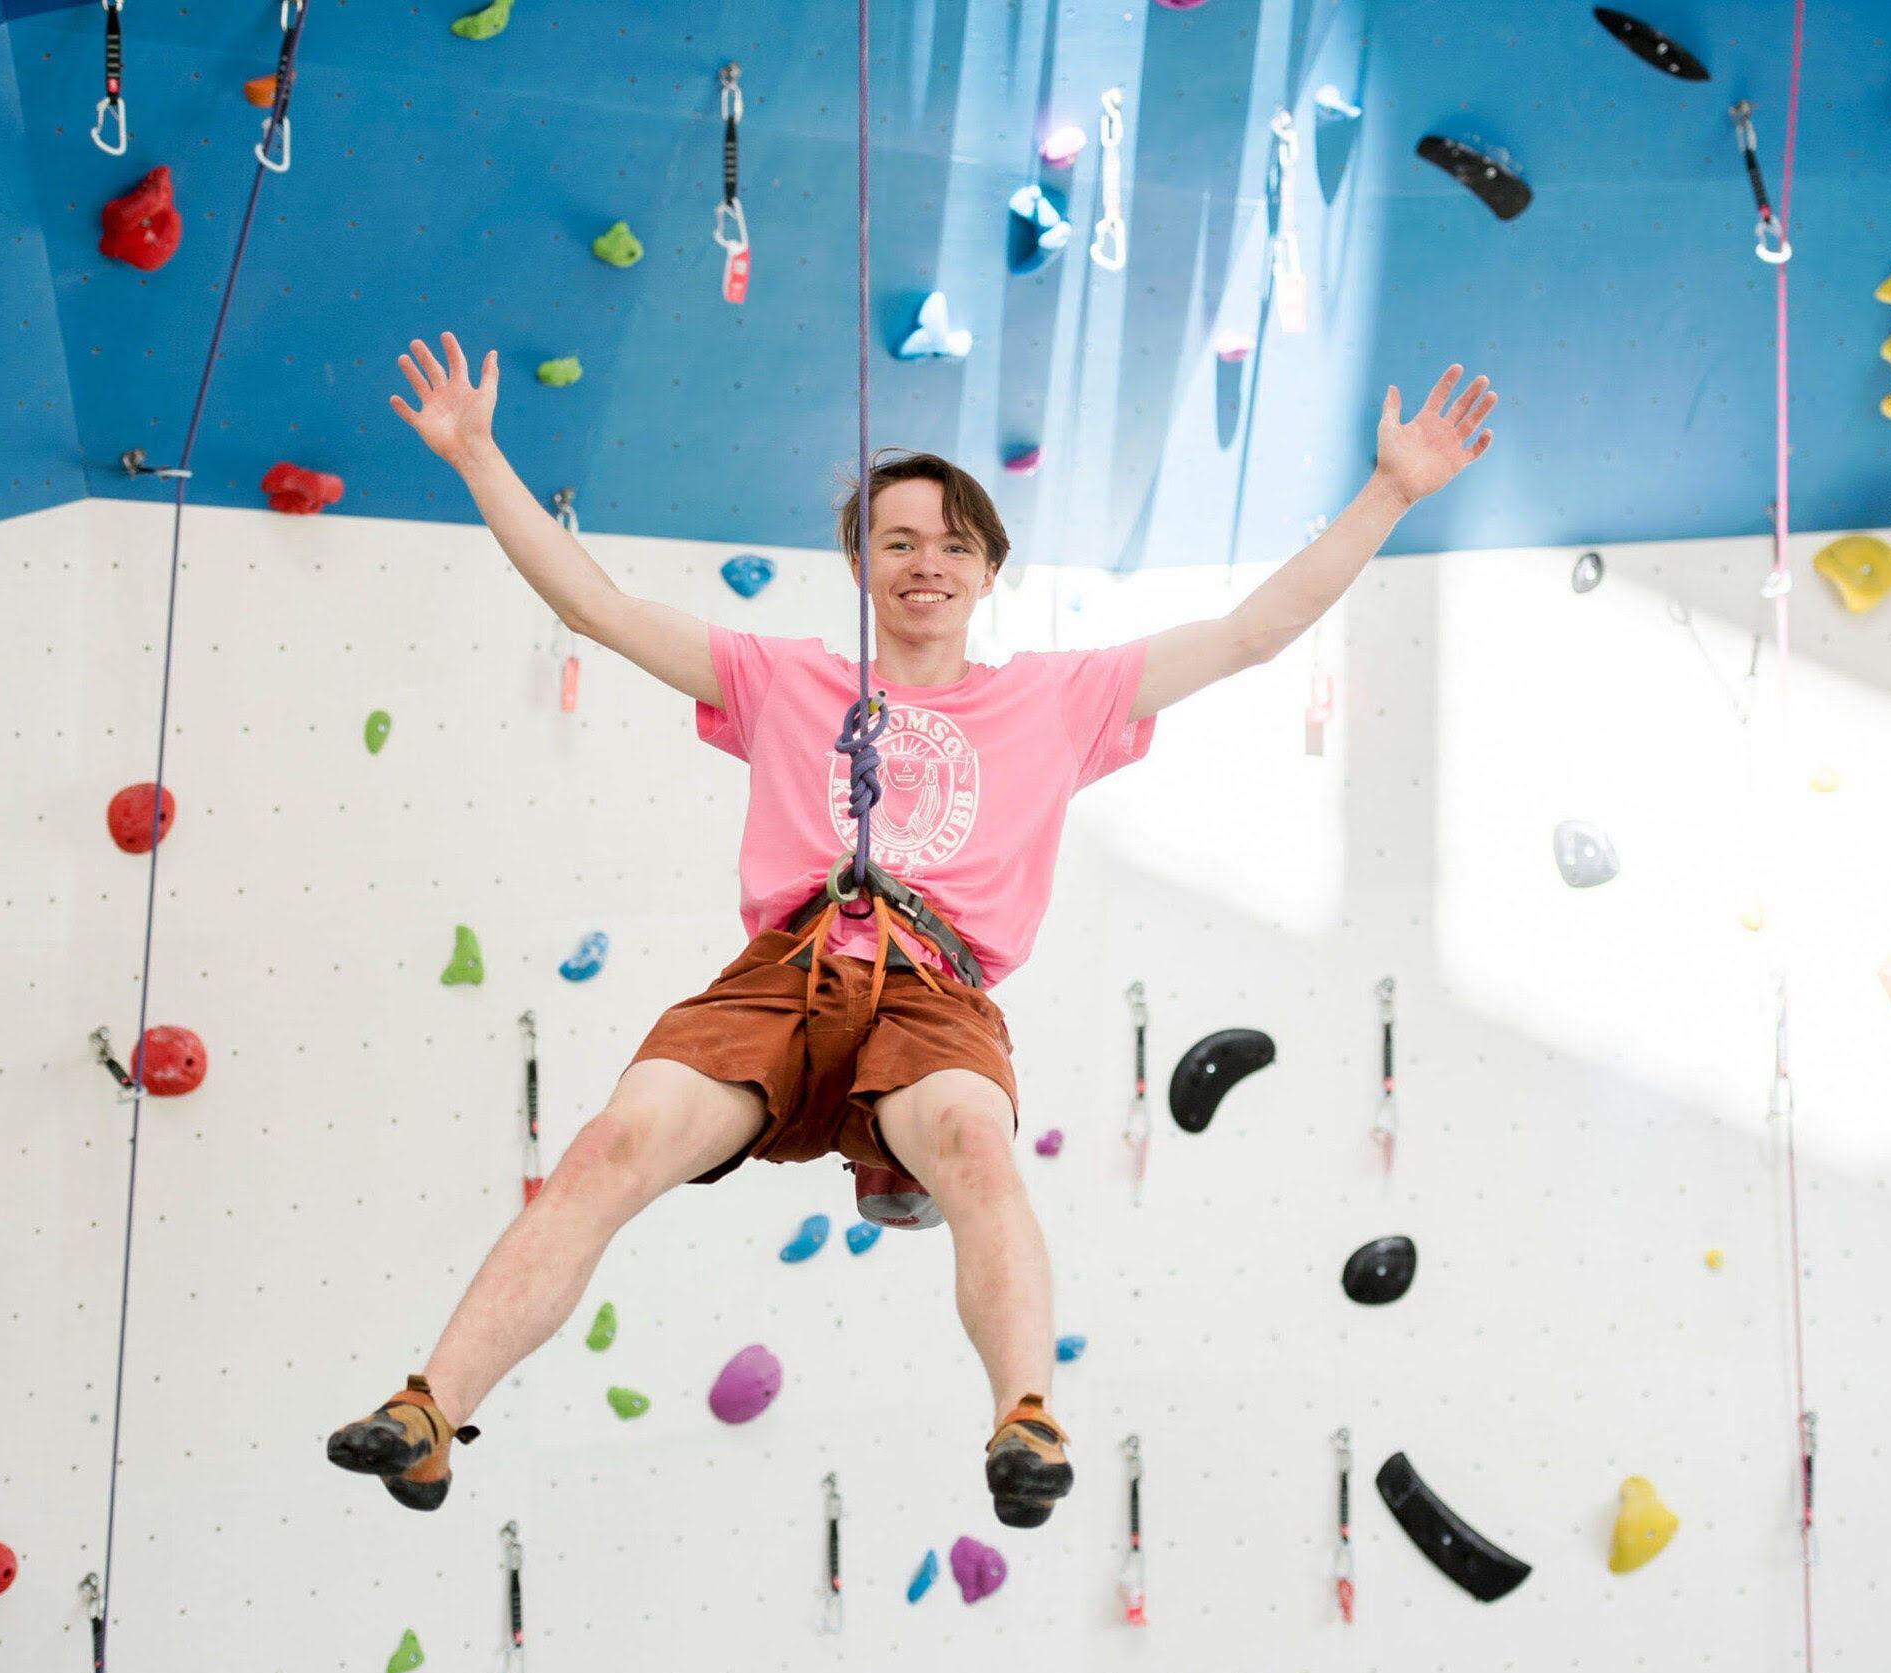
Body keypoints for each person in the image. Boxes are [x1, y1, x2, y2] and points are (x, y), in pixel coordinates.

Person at [327, 332, 1496, 1526]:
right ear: (859, 563)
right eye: (896, 541)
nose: (924, 562)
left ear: (991, 568)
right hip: (781, 978)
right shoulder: (781, 677)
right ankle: (432, 1410)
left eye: (952, 543)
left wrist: (1391, 490)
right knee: (615, 1143)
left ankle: (1026, 1417)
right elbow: (598, 606)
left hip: (935, 992)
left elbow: (1252, 631)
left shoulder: (1056, 698)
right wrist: (476, 455)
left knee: (978, 1152)